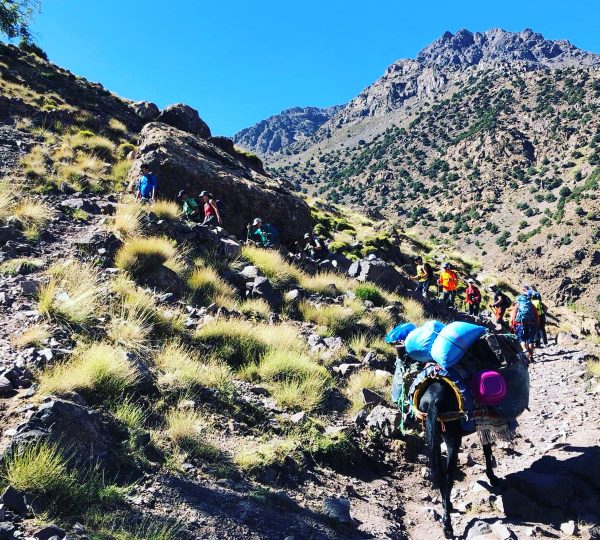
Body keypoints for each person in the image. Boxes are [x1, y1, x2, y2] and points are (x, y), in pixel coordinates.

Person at [510, 286, 540, 361]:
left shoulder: (518, 305)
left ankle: (524, 349)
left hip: (520, 324)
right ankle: (531, 357)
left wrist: (513, 325)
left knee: (521, 339)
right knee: (531, 340)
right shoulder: (531, 305)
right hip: (531, 324)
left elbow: (513, 316)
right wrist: (536, 325)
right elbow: (537, 316)